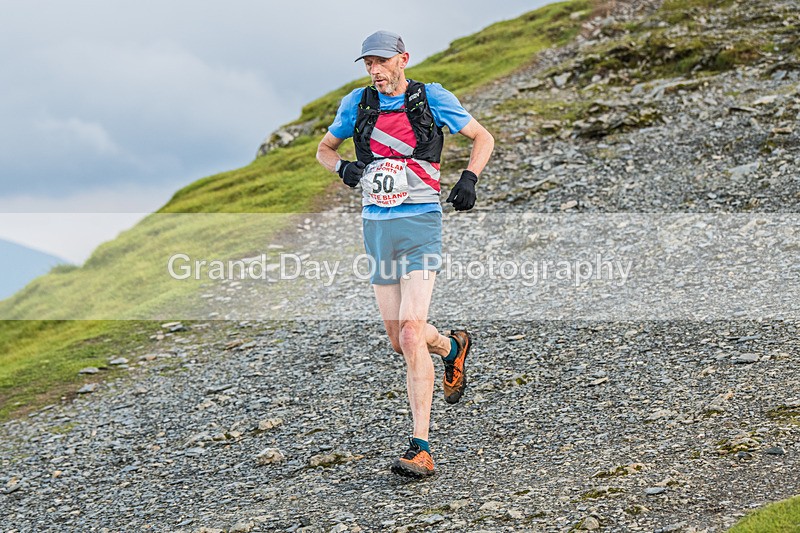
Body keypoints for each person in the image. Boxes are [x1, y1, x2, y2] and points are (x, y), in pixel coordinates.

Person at [316, 30, 494, 478]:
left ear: (402, 59)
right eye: (367, 64)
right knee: (401, 341)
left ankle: (421, 447)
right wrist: (344, 168)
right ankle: (453, 347)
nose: (374, 71)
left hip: (419, 226)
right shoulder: (356, 105)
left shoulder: (430, 97)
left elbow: (482, 138)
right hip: (377, 229)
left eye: (381, 62)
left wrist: (469, 179)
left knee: (412, 333)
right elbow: (324, 149)